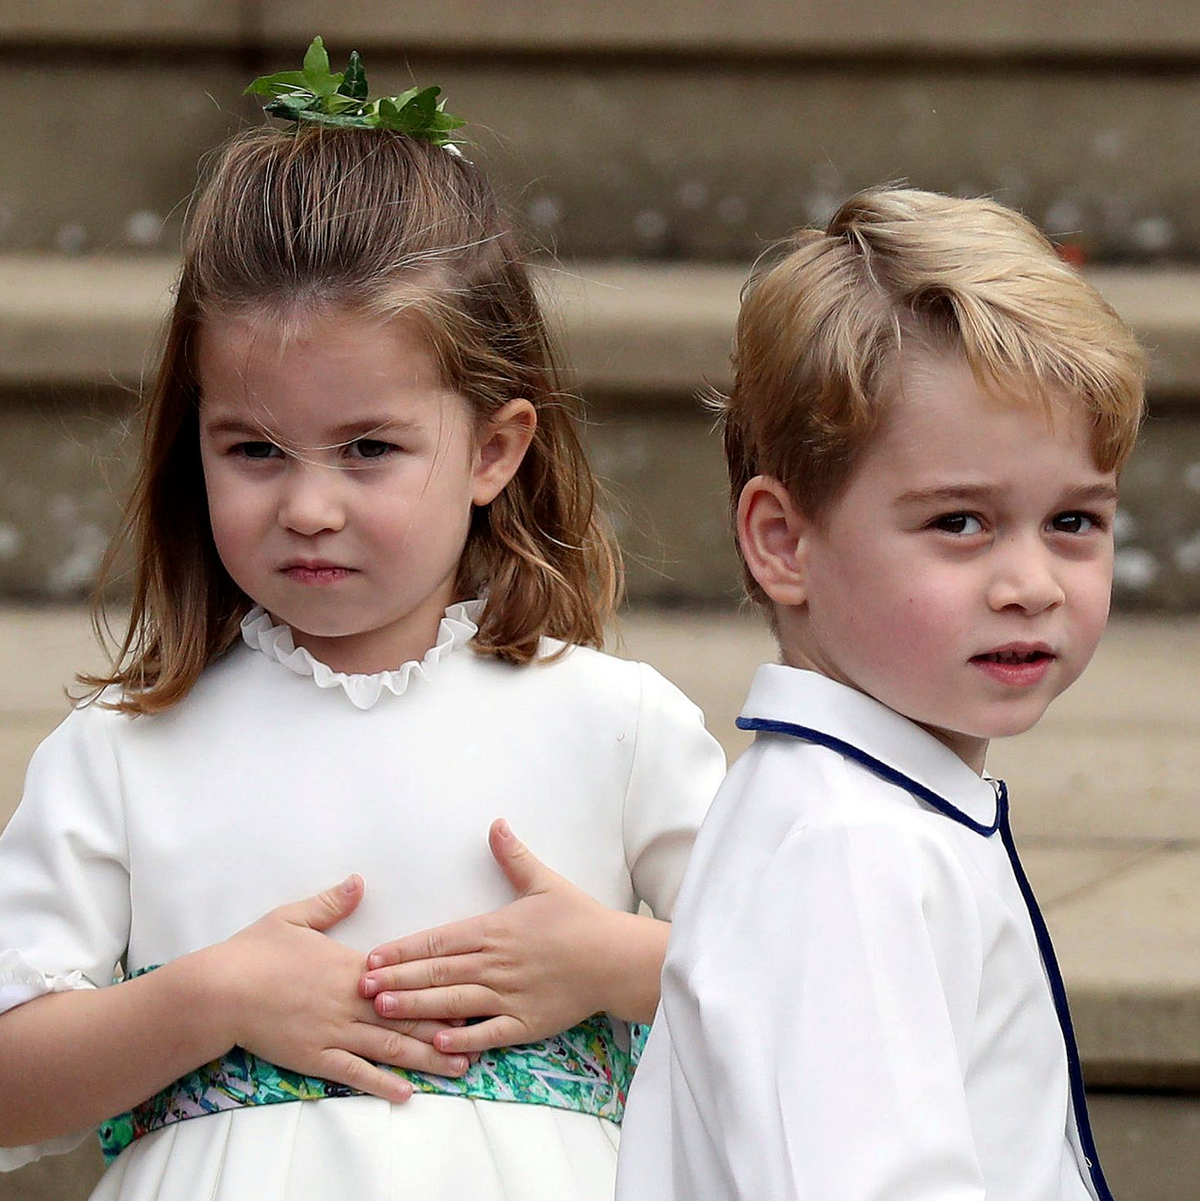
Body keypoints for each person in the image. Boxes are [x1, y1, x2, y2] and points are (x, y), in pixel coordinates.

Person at [0, 44, 724, 1201]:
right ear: (195, 443)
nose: (309, 506)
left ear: (495, 449)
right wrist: (210, 997)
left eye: (370, 448)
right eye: (254, 449)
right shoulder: (125, 755)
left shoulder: (613, 722)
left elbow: (804, 987)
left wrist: (615, 961)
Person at [616, 187, 1145, 1200]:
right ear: (783, 541)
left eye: (1074, 522)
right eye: (960, 522)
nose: (1031, 582)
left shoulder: (866, 809)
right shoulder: (850, 846)